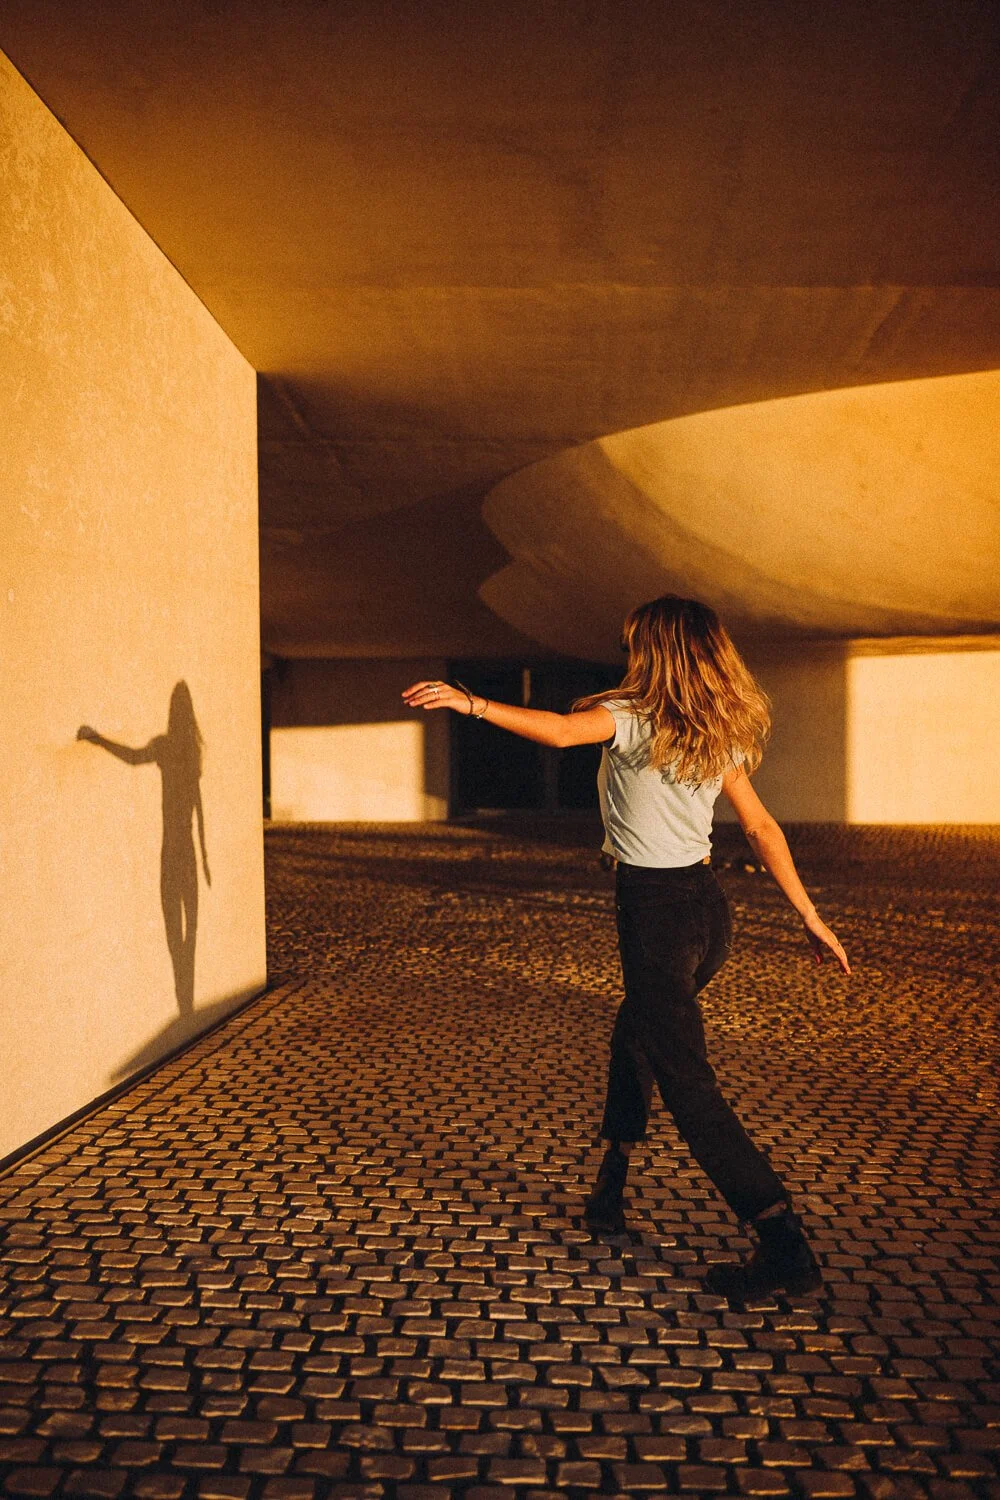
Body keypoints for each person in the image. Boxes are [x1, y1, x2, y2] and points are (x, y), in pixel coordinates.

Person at [403, 596, 850, 1299]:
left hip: (658, 918)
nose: (626, 651)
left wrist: (472, 704)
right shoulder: (711, 727)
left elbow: (554, 732)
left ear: (658, 651)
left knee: (688, 1083)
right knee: (635, 1032)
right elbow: (762, 829)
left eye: (633, 643)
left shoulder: (634, 718)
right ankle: (612, 1177)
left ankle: (782, 1241)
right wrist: (810, 915)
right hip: (707, 917)